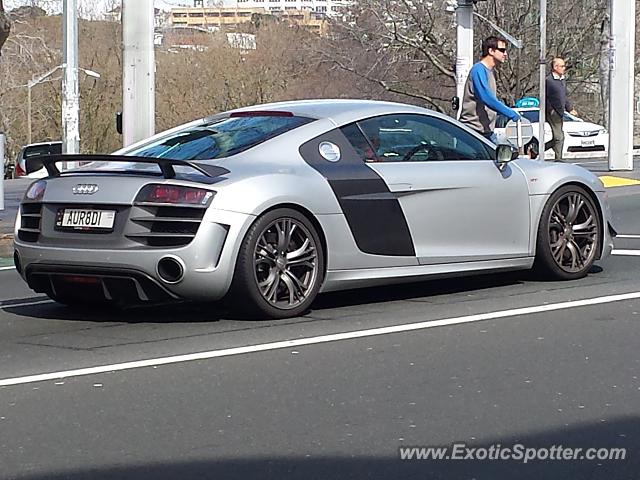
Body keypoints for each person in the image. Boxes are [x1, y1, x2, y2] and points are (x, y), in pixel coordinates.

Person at [459, 36, 520, 143]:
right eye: (502, 50)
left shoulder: (490, 72)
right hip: (472, 132)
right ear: (491, 51)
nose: (505, 54)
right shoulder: (478, 70)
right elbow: (486, 97)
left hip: (486, 132)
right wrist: (510, 113)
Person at [544, 57, 577, 161]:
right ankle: (559, 159)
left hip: (560, 112)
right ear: (555, 67)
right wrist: (550, 110)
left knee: (557, 138)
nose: (564, 68)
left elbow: (564, 96)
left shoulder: (562, 80)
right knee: (559, 137)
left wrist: (570, 108)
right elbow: (544, 97)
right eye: (562, 66)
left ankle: (536, 150)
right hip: (553, 113)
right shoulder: (549, 81)